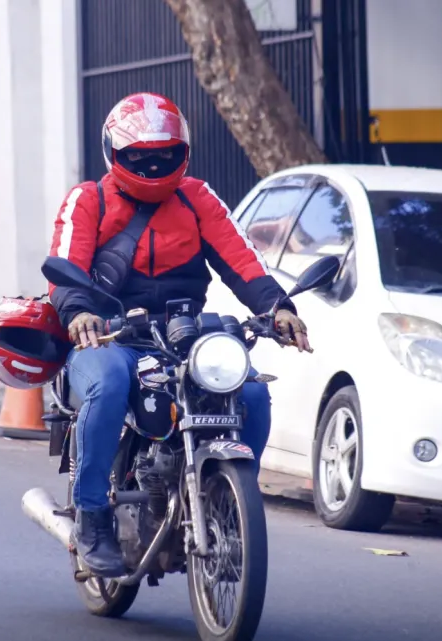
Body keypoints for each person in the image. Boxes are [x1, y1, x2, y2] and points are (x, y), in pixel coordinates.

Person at [46, 92, 312, 578]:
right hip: (106, 338)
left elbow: (242, 261)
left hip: (181, 336)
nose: (152, 165)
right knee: (108, 385)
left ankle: (229, 508)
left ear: (182, 153)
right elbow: (66, 270)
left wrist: (277, 308)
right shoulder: (90, 200)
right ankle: (92, 517)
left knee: (250, 390)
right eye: (139, 157)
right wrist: (79, 314)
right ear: (114, 153)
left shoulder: (198, 199)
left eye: (164, 155)